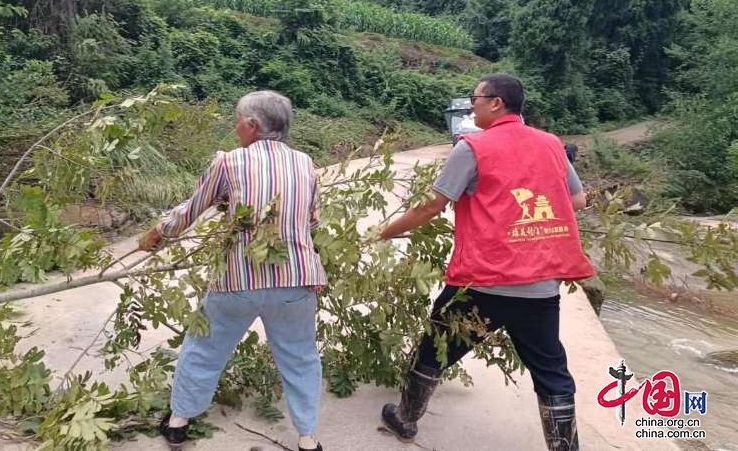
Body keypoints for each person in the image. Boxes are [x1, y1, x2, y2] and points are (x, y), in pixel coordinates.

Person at [376, 73, 594, 451]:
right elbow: (576, 202)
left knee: (434, 348)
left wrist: (386, 232)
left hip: (481, 283)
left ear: (496, 102)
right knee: (551, 372)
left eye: (474, 98)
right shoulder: (552, 144)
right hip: (539, 286)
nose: (470, 105)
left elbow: (431, 205)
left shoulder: (472, 147)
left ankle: (406, 419)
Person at [138, 91, 327, 451]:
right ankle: (307, 438)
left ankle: (178, 422)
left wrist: (156, 234)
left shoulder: (228, 162)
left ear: (253, 126)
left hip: (237, 280)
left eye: (238, 119)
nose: (235, 126)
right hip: (298, 280)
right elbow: (312, 219)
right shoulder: (306, 163)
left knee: (205, 348)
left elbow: (190, 210)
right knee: (300, 357)